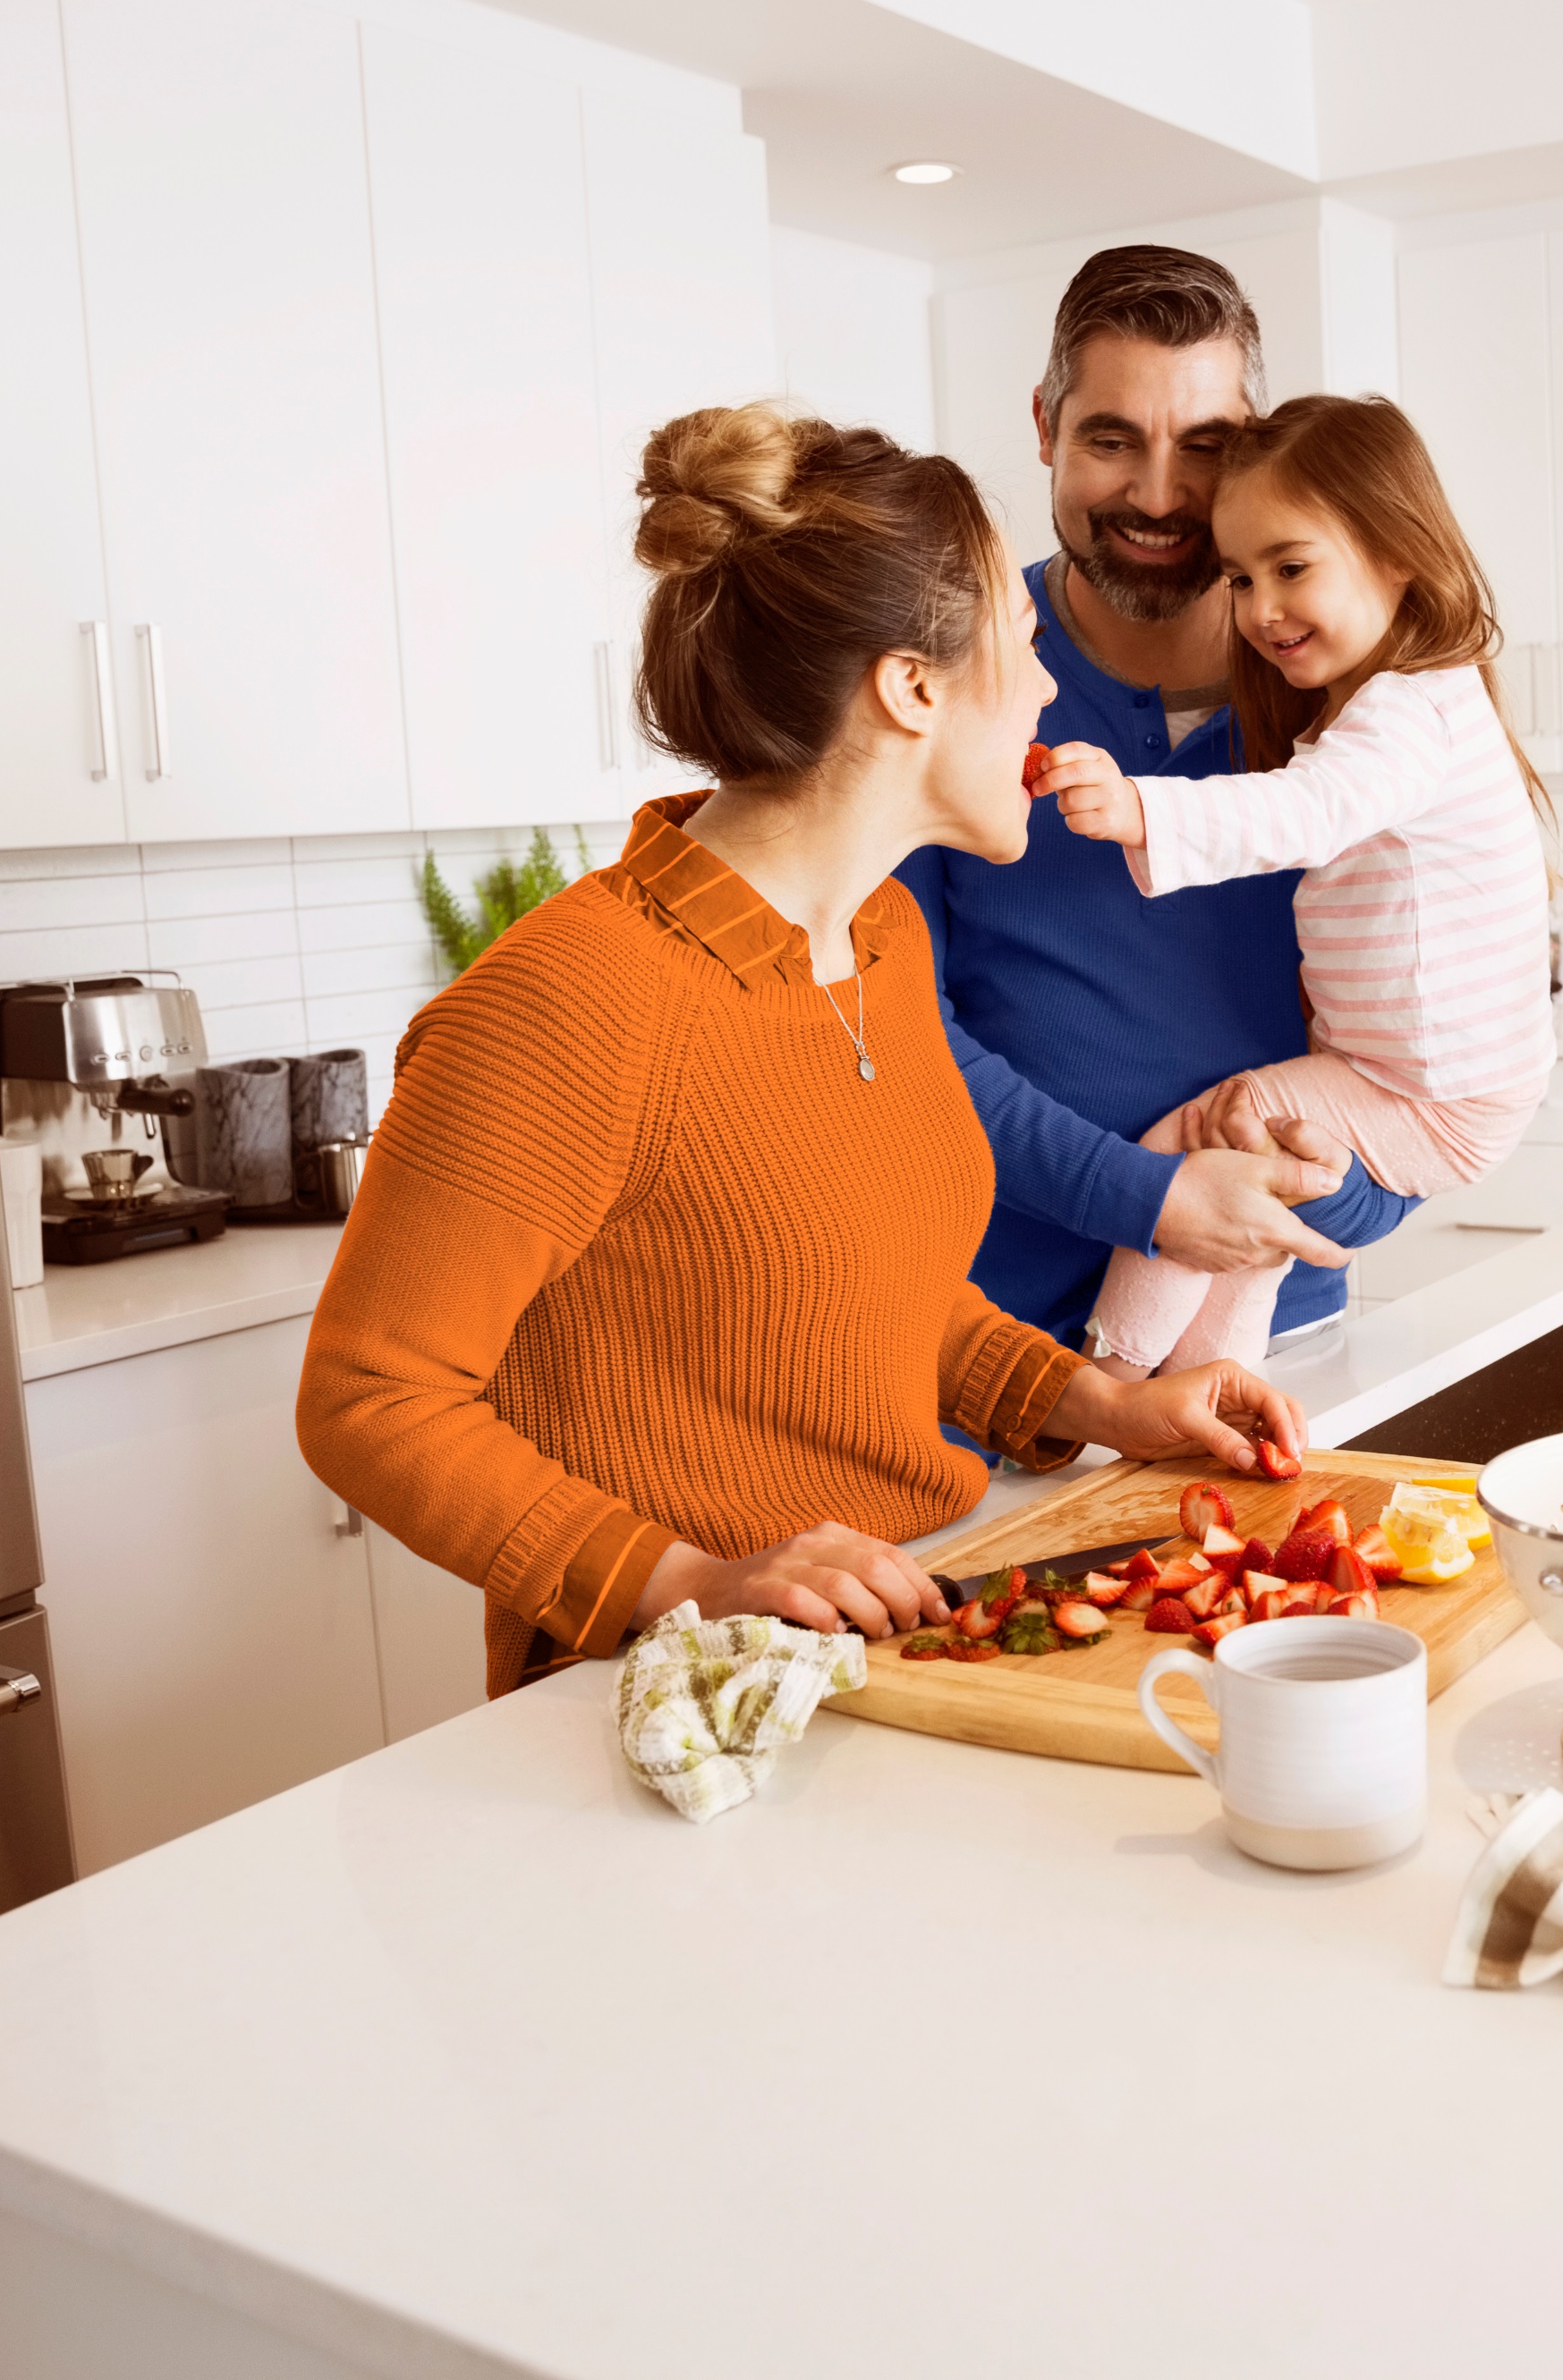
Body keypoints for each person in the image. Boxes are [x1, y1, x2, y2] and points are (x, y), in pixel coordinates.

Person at [297, 405, 1306, 1694]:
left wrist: (1103, 1403)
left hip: (910, 1623)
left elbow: (871, 1288)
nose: (1050, 686)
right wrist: (688, 1581)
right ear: (913, 687)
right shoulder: (569, 1002)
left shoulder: (880, 936)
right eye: (1026, 640)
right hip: (684, 1700)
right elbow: (368, 1398)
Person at [894, 246, 1418, 1363]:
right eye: (1111, 439)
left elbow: (1433, 1045)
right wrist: (1151, 1198)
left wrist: (1329, 1199)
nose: (1161, 494)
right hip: (993, 1360)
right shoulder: (952, 671)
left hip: (1272, 1341)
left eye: (1207, 446)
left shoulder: (1365, 707)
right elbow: (902, 1033)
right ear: (1045, 424)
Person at [1041, 395, 1557, 1369]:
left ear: (1397, 552)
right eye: (1239, 577)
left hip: (1428, 1095)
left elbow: (1307, 810)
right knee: (1251, 1193)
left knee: (1188, 1142)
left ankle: (1105, 1377)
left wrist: (1142, 809)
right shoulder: (1402, 703)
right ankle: (1213, 1386)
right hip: (1437, 1084)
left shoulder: (1409, 713)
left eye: (1291, 567)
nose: (1260, 609)